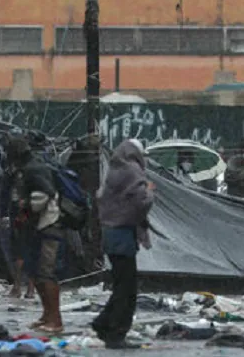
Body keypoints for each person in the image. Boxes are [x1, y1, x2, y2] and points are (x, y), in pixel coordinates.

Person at [92, 139, 154, 349]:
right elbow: (141, 201)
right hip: (124, 235)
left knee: (120, 284)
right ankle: (116, 334)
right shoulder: (133, 170)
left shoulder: (114, 170)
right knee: (127, 289)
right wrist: (150, 191)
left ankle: (103, 323)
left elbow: (101, 196)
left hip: (110, 233)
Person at [6, 136, 64, 334]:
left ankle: (55, 320)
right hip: (39, 227)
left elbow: (45, 194)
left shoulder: (34, 169)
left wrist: (26, 206)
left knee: (46, 272)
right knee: (37, 272)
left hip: (49, 225)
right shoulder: (31, 167)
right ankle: (47, 315)